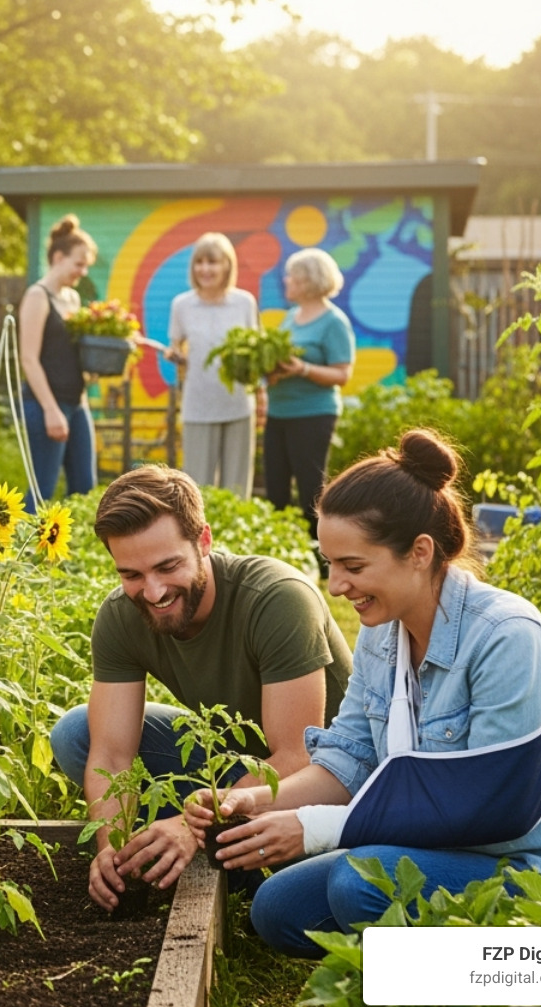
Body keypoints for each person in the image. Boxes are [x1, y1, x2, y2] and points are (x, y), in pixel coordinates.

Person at [186, 430, 541, 959]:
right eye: (329, 563)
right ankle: (448, 971)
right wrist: (251, 801)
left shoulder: (508, 638)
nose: (335, 585)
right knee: (278, 910)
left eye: (353, 566)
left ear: (419, 552)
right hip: (444, 856)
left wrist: (317, 829)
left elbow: (487, 807)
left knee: (359, 884)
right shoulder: (381, 634)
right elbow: (350, 758)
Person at [49, 464, 350, 907]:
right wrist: (111, 848)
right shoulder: (120, 616)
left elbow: (294, 755)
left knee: (290, 897)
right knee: (78, 732)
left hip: (320, 785)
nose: (152, 592)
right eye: (130, 574)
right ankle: (193, 850)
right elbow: (111, 756)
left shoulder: (276, 599)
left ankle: (218, 849)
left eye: (167, 566)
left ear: (204, 540)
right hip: (230, 769)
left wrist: (193, 823)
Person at [264, 248, 355, 541]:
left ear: (308, 281)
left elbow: (342, 374)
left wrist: (302, 368)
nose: (286, 280)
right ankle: (281, 550)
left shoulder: (334, 321)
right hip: (278, 413)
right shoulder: (291, 317)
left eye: (292, 276)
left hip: (313, 414)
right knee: (275, 488)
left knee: (310, 491)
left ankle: (320, 555)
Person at [168, 232, 261, 498]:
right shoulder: (182, 305)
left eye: (213, 262)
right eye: (200, 262)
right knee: (197, 488)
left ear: (227, 266)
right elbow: (176, 345)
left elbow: (253, 349)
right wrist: (175, 354)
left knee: (237, 489)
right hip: (198, 404)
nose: (205, 269)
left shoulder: (244, 302)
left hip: (238, 404)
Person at [18, 214, 97, 514]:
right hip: (44, 406)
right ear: (59, 257)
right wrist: (51, 410)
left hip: (76, 404)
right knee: (42, 489)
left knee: (84, 486)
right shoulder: (37, 297)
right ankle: (19, 552)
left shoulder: (73, 299)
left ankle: (69, 550)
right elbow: (29, 358)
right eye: (79, 263)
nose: (83, 271)